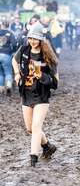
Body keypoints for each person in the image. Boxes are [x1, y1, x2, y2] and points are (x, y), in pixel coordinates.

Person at [12, 22, 59, 167]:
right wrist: (16, 74)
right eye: (30, 38)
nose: (32, 41)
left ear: (41, 39)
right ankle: (47, 146)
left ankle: (33, 158)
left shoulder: (47, 56)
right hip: (26, 93)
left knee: (37, 126)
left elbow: (55, 80)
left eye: (35, 38)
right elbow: (14, 60)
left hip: (42, 95)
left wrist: (42, 77)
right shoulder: (24, 49)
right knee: (30, 128)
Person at [0, 21, 16, 95]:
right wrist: (12, 51)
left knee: (0, 73)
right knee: (8, 72)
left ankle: (1, 88)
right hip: (6, 54)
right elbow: (14, 43)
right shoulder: (10, 33)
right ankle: (9, 86)